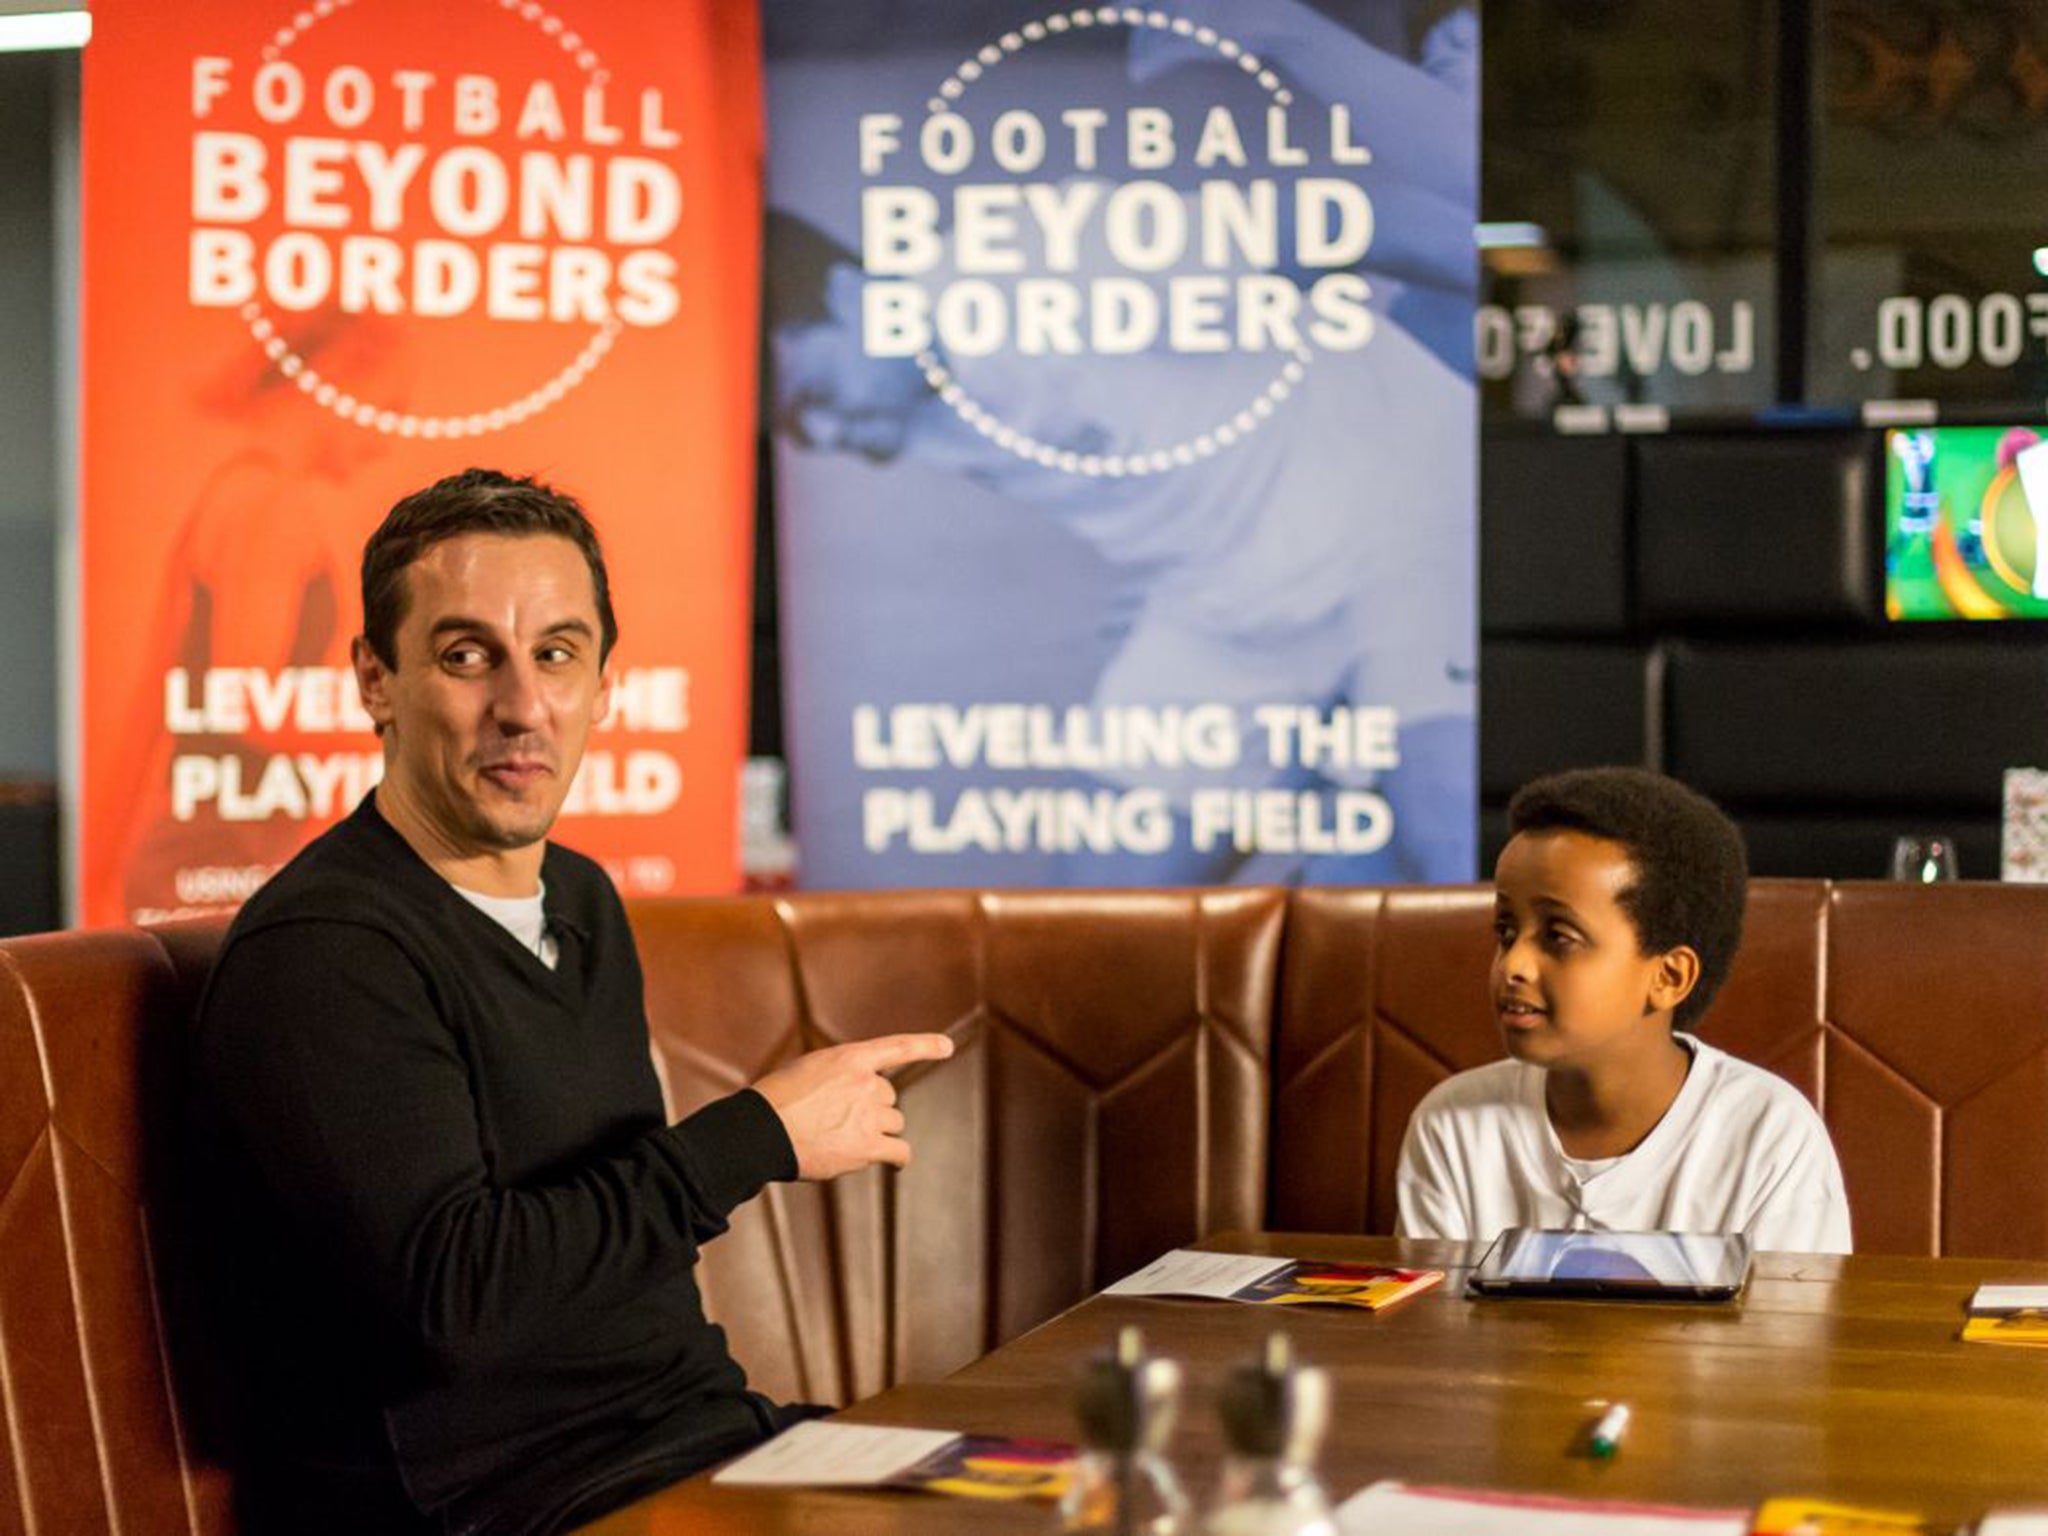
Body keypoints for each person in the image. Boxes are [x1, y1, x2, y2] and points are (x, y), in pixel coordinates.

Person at [193, 468, 956, 1536]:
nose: (522, 705)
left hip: (701, 1445)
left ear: (602, 684)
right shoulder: (325, 950)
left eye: (556, 654)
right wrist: (756, 1137)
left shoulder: (581, 898)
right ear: (374, 679)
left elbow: (610, 1272)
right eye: (467, 658)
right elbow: (456, 1303)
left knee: (1094, 1494)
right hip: (504, 1506)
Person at [1395, 766, 1852, 1254]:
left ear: (1668, 977)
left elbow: (1791, 1327)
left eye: (1558, 937)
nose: (1514, 965)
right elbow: (1436, 1326)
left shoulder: (1768, 1136)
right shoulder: (1454, 1123)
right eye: (1506, 931)